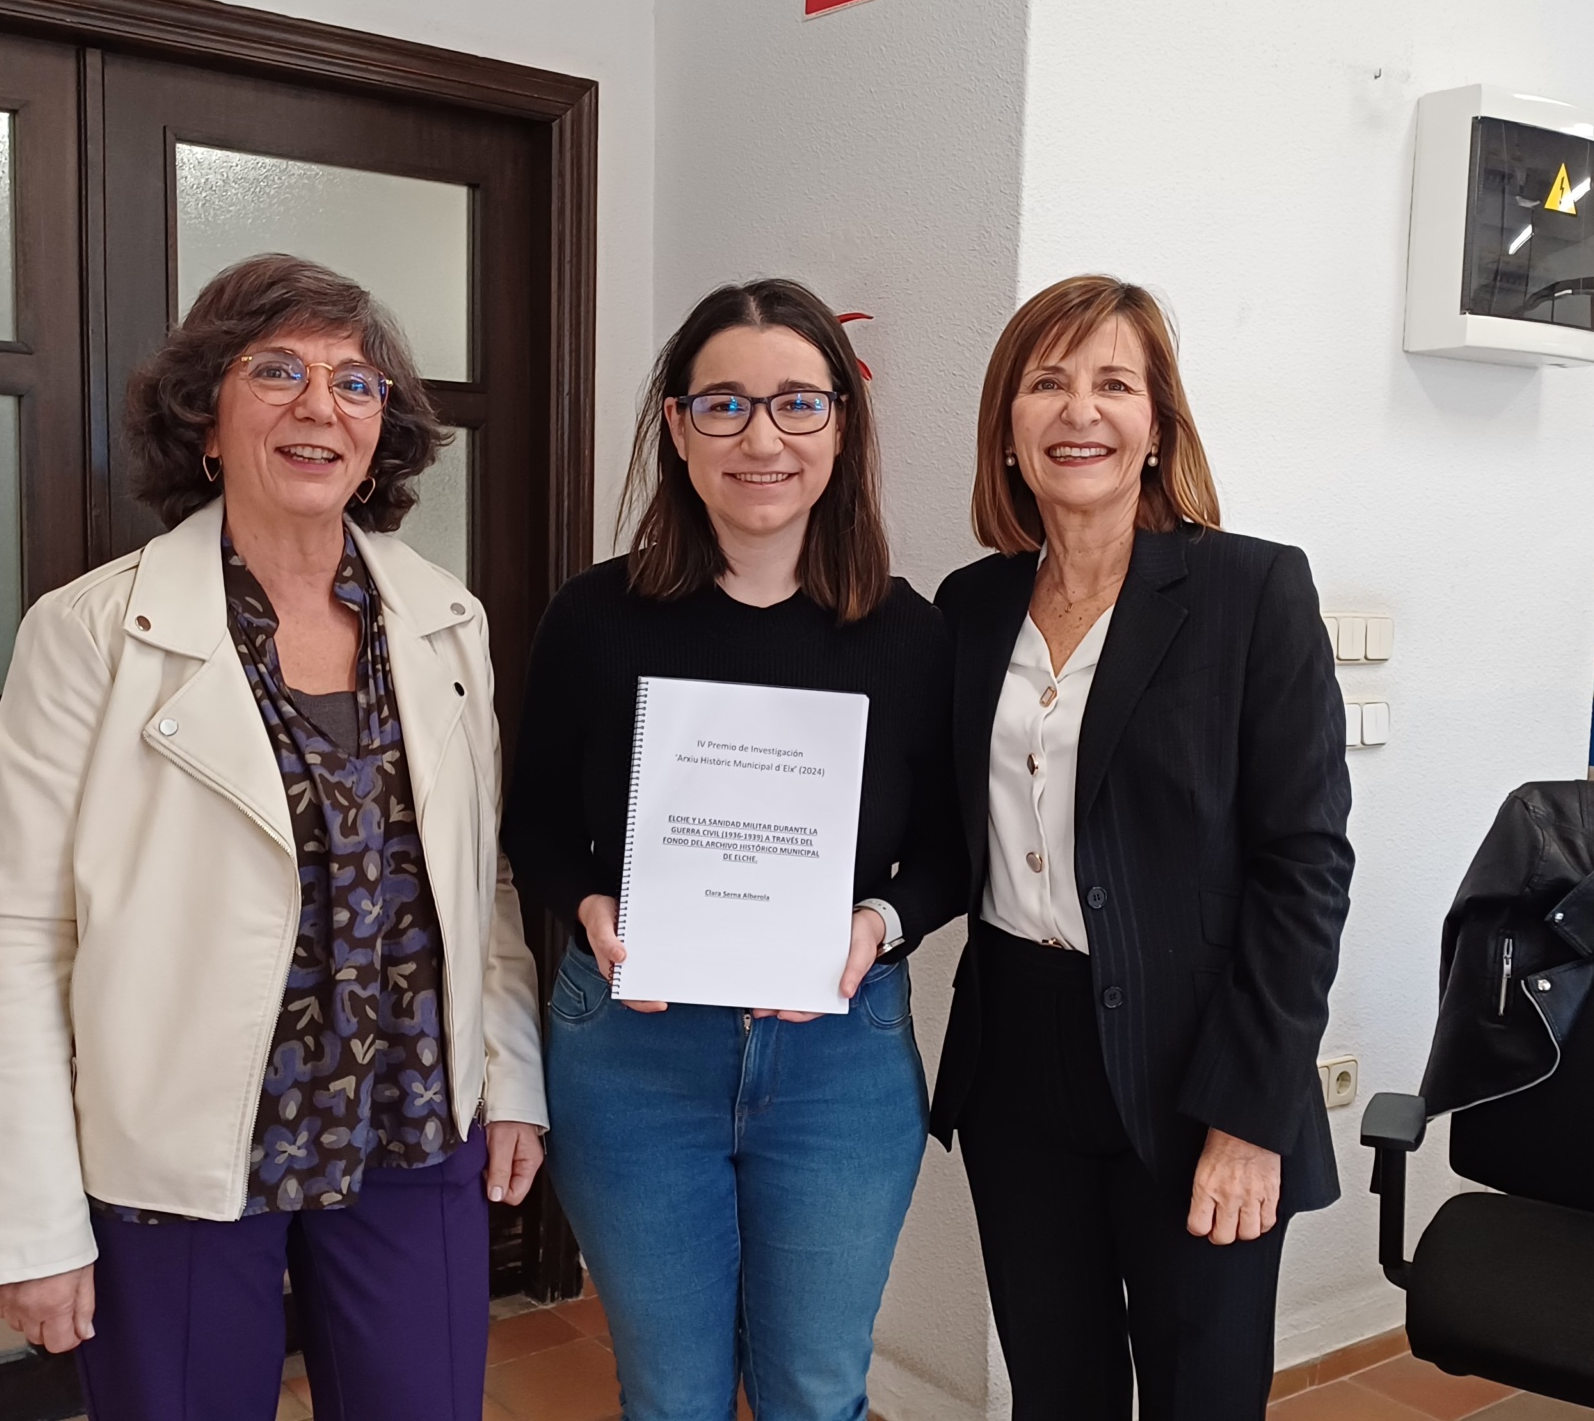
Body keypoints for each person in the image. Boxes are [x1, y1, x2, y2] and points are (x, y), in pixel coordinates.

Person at [0, 253, 547, 1420]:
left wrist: (509, 1075)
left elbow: (478, 885)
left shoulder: (445, 620)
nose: (320, 406)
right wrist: (28, 1214)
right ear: (205, 420)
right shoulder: (91, 633)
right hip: (178, 1155)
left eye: (356, 382)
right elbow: (19, 933)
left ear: (385, 429)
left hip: (412, 1127)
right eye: (276, 371)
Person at [502, 279, 966, 1421]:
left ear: (840, 429)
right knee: (672, 1397)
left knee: (815, 1391)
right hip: (632, 1052)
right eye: (725, 405)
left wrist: (877, 923)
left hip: (838, 1064)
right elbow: (536, 823)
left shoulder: (911, 634)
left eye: (797, 404)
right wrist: (590, 909)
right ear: (676, 427)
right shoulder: (593, 617)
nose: (762, 437)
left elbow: (956, 848)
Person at [928, 275, 1354, 1418]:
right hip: (1016, 1056)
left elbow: (1303, 869)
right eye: (1047, 383)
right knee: (1053, 1391)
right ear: (1007, 426)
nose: (1080, 412)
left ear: (1157, 424)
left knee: (1198, 1395)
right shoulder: (968, 608)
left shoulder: (1250, 590)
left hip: (1194, 1061)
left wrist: (1249, 1116)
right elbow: (924, 826)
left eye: (1114, 383)